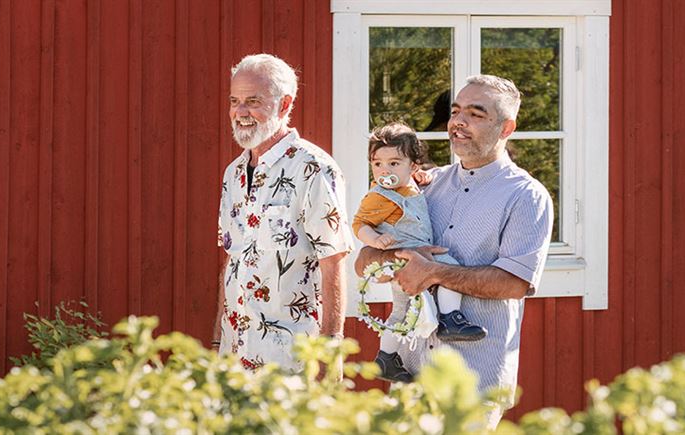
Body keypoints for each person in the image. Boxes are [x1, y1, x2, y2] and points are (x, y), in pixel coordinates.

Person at [354, 75, 554, 401]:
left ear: (506, 128)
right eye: (456, 111)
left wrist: (432, 271)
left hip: (472, 382)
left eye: (475, 114)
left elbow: (515, 283)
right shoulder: (422, 186)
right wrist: (394, 257)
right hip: (410, 373)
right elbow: (364, 261)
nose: (459, 122)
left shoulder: (526, 195)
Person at [213, 54, 352, 371]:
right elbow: (231, 259)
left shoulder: (313, 167)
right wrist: (217, 341)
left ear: (285, 105)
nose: (240, 112)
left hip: (292, 358)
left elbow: (333, 259)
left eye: (253, 101)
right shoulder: (232, 174)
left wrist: (331, 352)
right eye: (234, 101)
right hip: (234, 354)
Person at [351, 122, 488, 384]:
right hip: (405, 258)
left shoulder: (409, 183)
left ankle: (386, 358)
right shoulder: (380, 197)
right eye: (377, 164)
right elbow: (359, 224)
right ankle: (450, 318)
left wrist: (420, 177)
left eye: (394, 163)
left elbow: (412, 183)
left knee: (401, 311)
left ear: (412, 166)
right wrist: (376, 239)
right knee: (450, 271)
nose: (384, 171)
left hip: (417, 254)